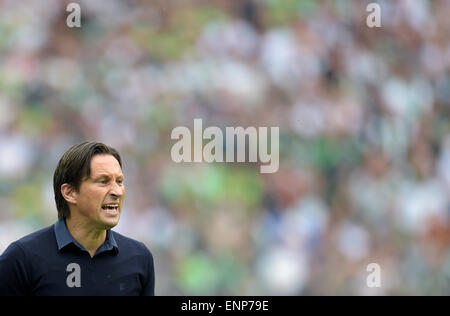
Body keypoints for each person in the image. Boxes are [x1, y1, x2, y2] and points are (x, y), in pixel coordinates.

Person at [0, 142, 155, 296]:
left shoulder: (139, 257)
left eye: (119, 181)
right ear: (70, 192)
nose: (117, 191)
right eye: (103, 181)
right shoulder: (21, 259)